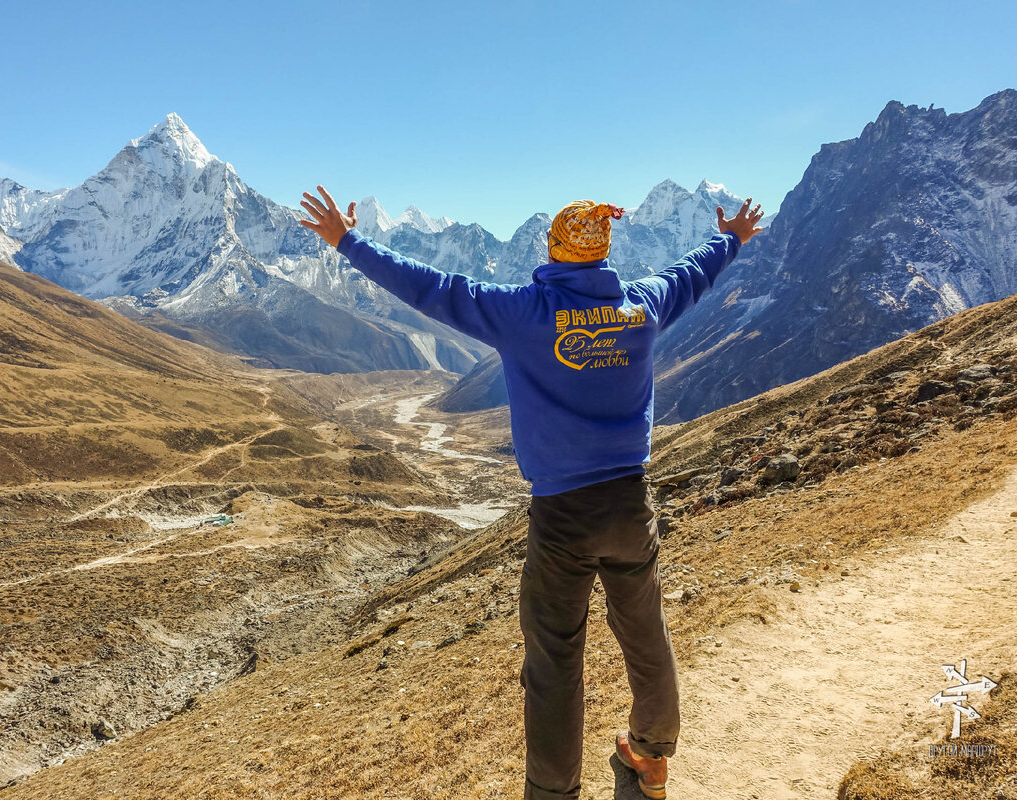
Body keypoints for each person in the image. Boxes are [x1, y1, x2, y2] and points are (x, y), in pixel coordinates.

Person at [299, 185, 763, 800]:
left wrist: (347, 242)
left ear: (554, 250)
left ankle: (552, 794)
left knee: (553, 661)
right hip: (630, 503)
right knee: (646, 633)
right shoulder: (642, 305)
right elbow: (691, 273)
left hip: (563, 515)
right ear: (601, 253)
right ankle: (651, 759)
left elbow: (431, 287)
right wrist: (731, 237)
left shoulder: (522, 312)